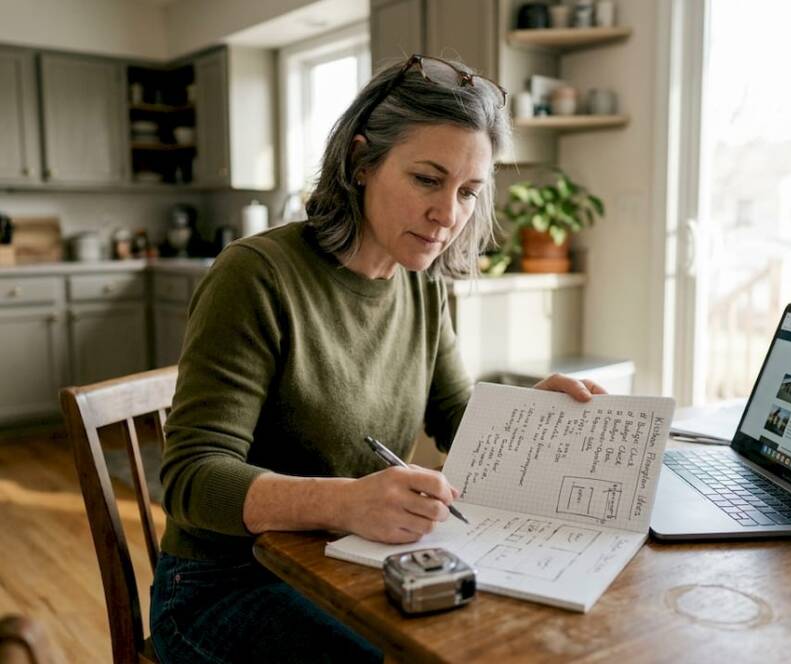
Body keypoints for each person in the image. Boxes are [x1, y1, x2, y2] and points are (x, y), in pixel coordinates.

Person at [150, 54, 605, 664]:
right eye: (427, 179)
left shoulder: (420, 282)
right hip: (224, 584)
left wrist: (529, 418)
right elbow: (191, 478)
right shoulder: (256, 276)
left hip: (348, 562)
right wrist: (345, 502)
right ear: (362, 162)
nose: (448, 216)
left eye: (468, 192)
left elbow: (455, 413)